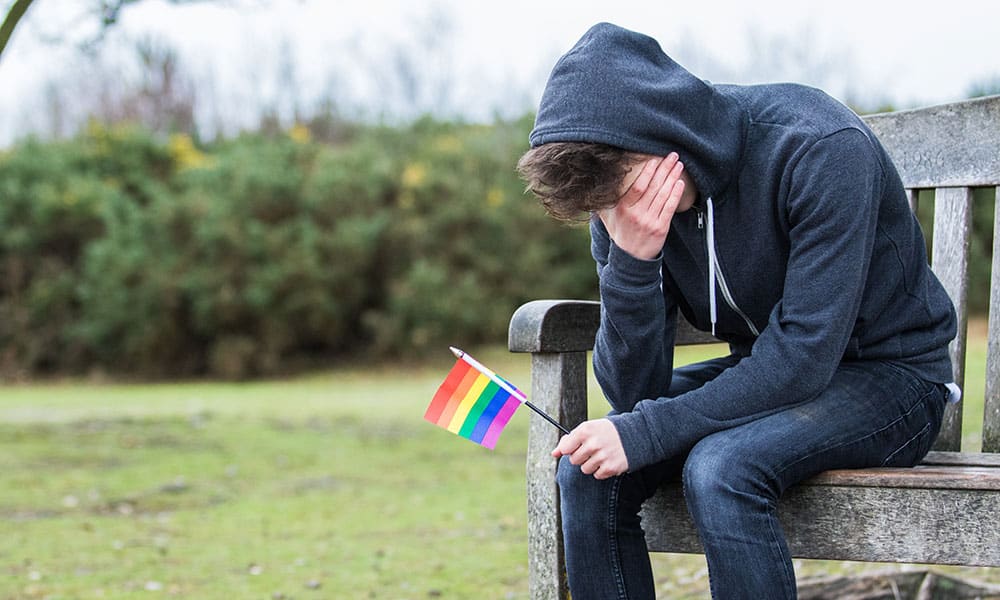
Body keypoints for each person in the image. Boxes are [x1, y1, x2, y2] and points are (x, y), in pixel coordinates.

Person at [516, 22, 959, 600]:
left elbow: (801, 357)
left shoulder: (818, 147)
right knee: (589, 470)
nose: (617, 216)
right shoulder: (619, 211)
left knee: (722, 467)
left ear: (663, 139)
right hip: (768, 378)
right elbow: (632, 391)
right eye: (600, 211)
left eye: (619, 195)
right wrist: (631, 264)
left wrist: (647, 429)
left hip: (895, 380)